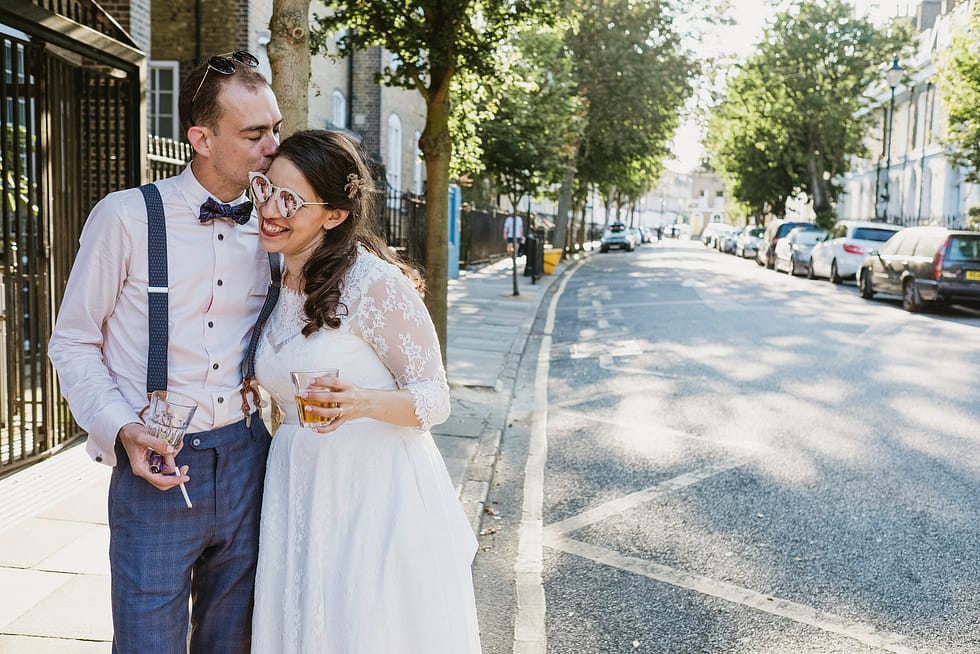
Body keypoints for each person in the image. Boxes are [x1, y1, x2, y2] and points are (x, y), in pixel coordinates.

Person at [48, 51, 282, 653]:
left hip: (248, 459)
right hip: (155, 467)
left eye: (275, 129)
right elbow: (71, 341)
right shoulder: (124, 218)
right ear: (201, 138)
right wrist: (122, 428)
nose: (272, 147)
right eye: (255, 133)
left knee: (232, 643)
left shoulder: (278, 227)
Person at [248, 129, 481, 653]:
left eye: (290, 200)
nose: (270, 207)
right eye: (265, 189)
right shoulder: (273, 277)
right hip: (298, 481)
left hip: (373, 489)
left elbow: (435, 398)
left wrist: (361, 403)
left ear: (332, 215)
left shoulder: (373, 283)